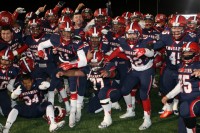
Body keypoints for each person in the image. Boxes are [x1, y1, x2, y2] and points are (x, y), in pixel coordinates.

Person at [56, 50, 121, 129]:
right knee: (91, 109)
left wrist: (108, 73)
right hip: (100, 93)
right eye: (92, 63)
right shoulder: (88, 68)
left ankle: (108, 119)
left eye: (95, 63)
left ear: (101, 60)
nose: (93, 65)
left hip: (114, 90)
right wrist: (64, 73)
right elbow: (75, 73)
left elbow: (113, 73)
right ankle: (111, 103)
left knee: (103, 93)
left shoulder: (108, 65)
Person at [161, 42, 200, 133]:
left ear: (196, 53)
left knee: (186, 110)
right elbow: (181, 84)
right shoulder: (181, 66)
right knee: (182, 130)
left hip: (197, 99)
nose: (186, 55)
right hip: (185, 100)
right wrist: (168, 96)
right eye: (184, 53)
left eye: (189, 53)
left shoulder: (198, 65)